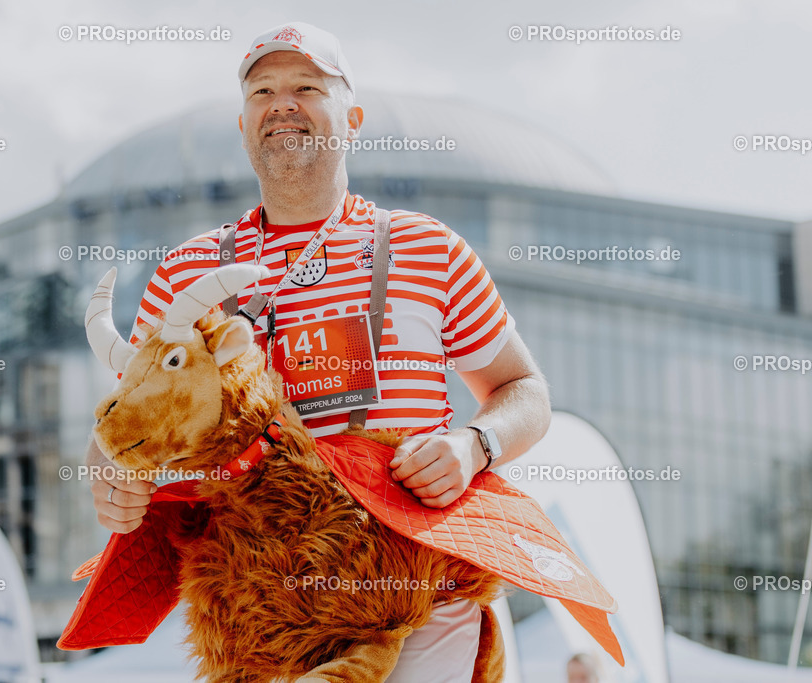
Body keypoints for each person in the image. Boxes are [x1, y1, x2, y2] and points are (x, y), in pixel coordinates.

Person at [84, 21, 551, 682]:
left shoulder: (429, 248)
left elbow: (525, 390)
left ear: (352, 117)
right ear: (244, 125)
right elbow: (121, 426)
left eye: (307, 85)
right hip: (261, 621)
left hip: (415, 597)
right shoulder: (184, 276)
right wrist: (109, 477)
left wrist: (474, 444)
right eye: (263, 90)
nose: (282, 103)